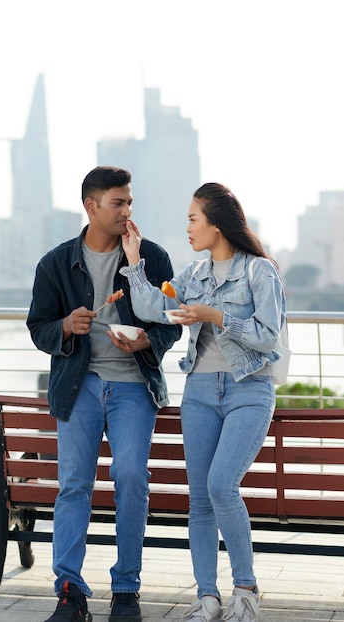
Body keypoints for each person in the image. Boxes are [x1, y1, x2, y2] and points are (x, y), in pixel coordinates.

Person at [119, 182, 287, 622]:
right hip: (199, 392)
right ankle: (207, 598)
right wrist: (135, 262)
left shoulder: (259, 272)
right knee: (200, 498)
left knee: (220, 486)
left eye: (193, 218)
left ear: (216, 223)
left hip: (248, 390)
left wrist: (216, 316)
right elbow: (158, 308)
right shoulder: (194, 276)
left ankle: (245, 592)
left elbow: (268, 335)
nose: (188, 228)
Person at [26, 166, 182, 622]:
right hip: (79, 387)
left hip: (134, 385)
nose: (128, 210)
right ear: (91, 206)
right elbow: (39, 328)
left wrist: (147, 341)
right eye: (119, 202)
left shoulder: (150, 256)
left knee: (132, 477)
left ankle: (126, 589)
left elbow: (170, 321)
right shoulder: (55, 263)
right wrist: (65, 328)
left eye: (130, 201)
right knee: (74, 485)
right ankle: (70, 591)